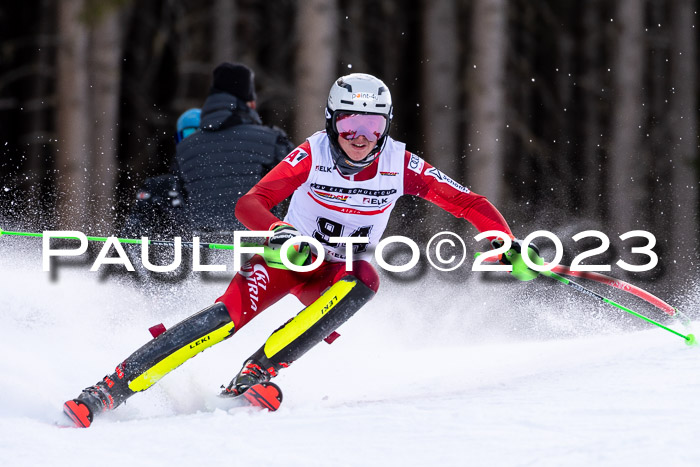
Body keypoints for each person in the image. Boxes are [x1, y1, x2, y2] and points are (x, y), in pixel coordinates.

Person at [63, 73, 542, 427]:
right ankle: (111, 388)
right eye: (351, 125)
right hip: (288, 259)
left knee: (365, 280)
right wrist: (277, 233)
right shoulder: (312, 153)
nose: (360, 139)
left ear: (386, 127)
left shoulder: (400, 164)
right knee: (223, 320)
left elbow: (468, 202)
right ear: (333, 122)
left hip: (339, 273)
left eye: (373, 128)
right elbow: (250, 203)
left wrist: (502, 240)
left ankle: (255, 375)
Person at [174, 62, 294, 235]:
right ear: (248, 101)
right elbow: (302, 191)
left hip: (204, 248)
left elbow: (181, 198)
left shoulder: (185, 147)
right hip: (256, 245)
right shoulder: (271, 140)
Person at [119, 108, 201, 239]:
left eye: (202, 134)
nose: (195, 140)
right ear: (179, 139)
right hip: (172, 253)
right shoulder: (159, 188)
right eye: (189, 133)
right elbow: (134, 228)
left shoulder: (227, 185)